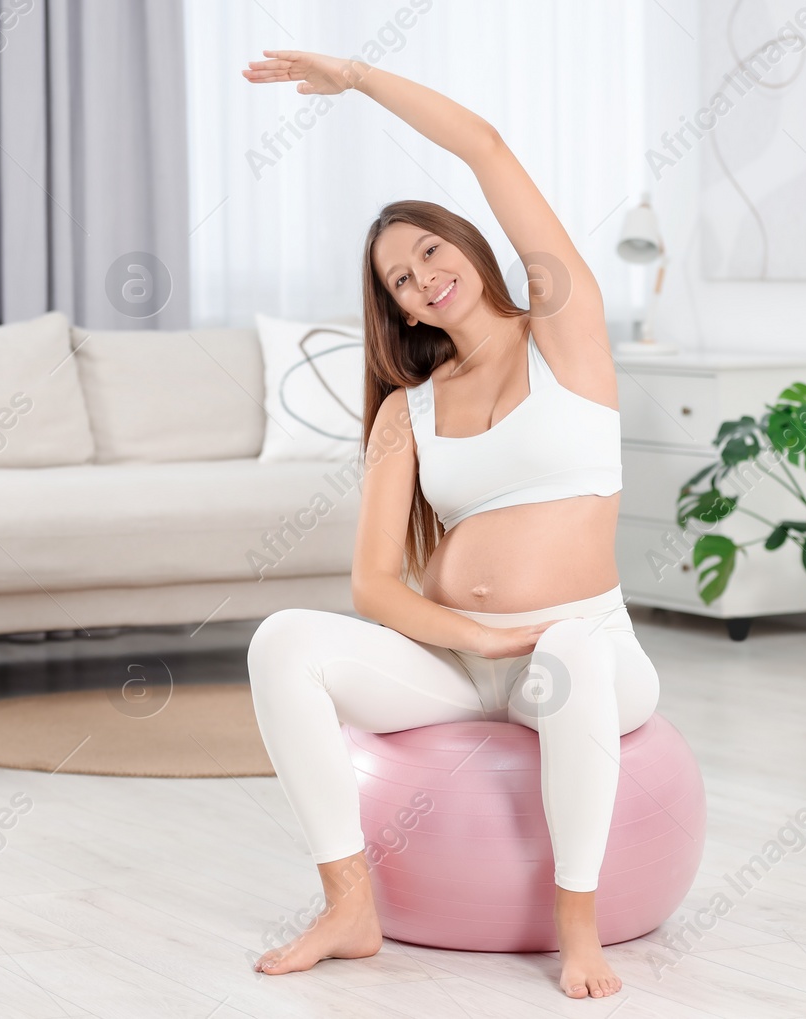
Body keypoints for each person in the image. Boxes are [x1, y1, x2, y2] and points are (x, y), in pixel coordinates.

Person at [241, 50, 659, 1000]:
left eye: (431, 250)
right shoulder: (408, 410)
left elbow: (486, 146)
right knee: (282, 642)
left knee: (573, 652)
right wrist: (477, 634)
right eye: (397, 278)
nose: (422, 277)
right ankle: (349, 904)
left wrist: (356, 77)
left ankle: (577, 929)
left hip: (580, 650)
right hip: (463, 662)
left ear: (468, 246)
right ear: (392, 308)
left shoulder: (568, 333)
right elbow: (375, 587)